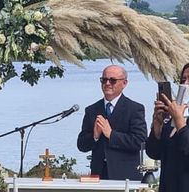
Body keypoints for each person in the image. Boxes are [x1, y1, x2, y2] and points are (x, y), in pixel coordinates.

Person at [77, 64, 147, 180]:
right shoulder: (92, 110)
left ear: (124, 83)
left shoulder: (134, 109)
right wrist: (94, 136)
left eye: (113, 80)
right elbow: (81, 145)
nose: (107, 83)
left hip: (126, 176)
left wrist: (111, 135)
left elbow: (140, 141)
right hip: (98, 176)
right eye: (104, 80)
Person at [145, 63, 189, 191]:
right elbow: (154, 153)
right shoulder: (174, 114)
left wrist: (180, 122)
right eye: (183, 79)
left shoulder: (177, 117)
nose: (185, 84)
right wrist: (157, 127)